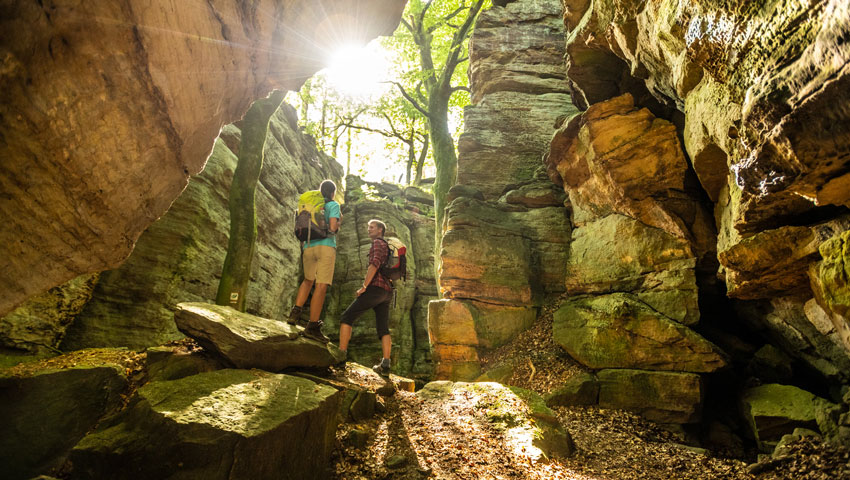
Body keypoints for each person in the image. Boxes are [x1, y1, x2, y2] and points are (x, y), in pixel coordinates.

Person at [338, 219, 394, 375]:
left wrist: (364, 286)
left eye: (372, 227)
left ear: (380, 230)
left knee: (346, 317)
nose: (368, 230)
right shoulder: (388, 246)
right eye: (368, 227)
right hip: (388, 291)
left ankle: (340, 356)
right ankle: (386, 365)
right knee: (383, 328)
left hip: (375, 288)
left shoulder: (377, 243)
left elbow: (374, 264)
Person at [288, 179, 340, 343]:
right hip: (326, 247)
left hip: (308, 246)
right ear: (332, 193)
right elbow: (332, 228)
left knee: (308, 280)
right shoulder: (333, 205)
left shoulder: (311, 204)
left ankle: (295, 313)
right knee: (322, 285)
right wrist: (339, 222)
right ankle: (312, 326)